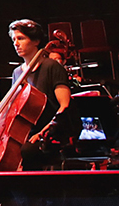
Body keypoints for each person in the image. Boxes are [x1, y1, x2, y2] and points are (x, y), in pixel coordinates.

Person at [4, 18, 75, 164]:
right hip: (26, 131)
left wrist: (44, 132)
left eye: (21, 38)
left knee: (26, 151)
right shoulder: (17, 72)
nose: (16, 43)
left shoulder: (52, 67)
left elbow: (64, 106)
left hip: (50, 130)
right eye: (14, 40)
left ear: (36, 41)